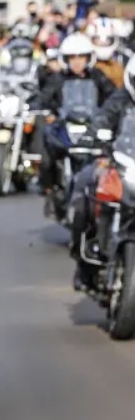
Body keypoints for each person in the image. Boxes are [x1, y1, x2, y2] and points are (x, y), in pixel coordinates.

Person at [69, 58, 135, 289]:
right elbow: (102, 118)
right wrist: (93, 137)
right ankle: (83, 260)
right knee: (85, 184)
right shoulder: (121, 99)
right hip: (118, 163)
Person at [38, 32, 116, 199]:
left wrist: (109, 115)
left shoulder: (98, 76)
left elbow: (113, 97)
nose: (77, 61)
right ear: (65, 59)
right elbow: (43, 97)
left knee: (111, 152)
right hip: (65, 123)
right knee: (47, 141)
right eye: (72, 57)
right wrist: (47, 111)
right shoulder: (57, 78)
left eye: (81, 57)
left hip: (92, 125)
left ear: (89, 58)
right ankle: (49, 185)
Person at [86, 17, 124, 89]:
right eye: (98, 40)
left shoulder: (122, 58)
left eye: (107, 40)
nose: (102, 43)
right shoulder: (85, 59)